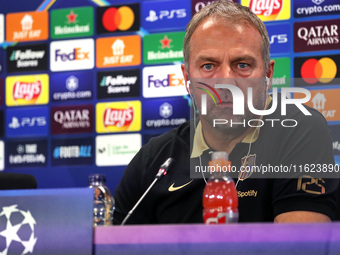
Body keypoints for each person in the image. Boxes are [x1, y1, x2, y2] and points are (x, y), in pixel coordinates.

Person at [113, 0, 338, 224]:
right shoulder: (153, 161)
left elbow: (301, 245)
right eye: (208, 66)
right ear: (187, 78)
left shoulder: (299, 129)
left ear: (268, 76)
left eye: (242, 65)